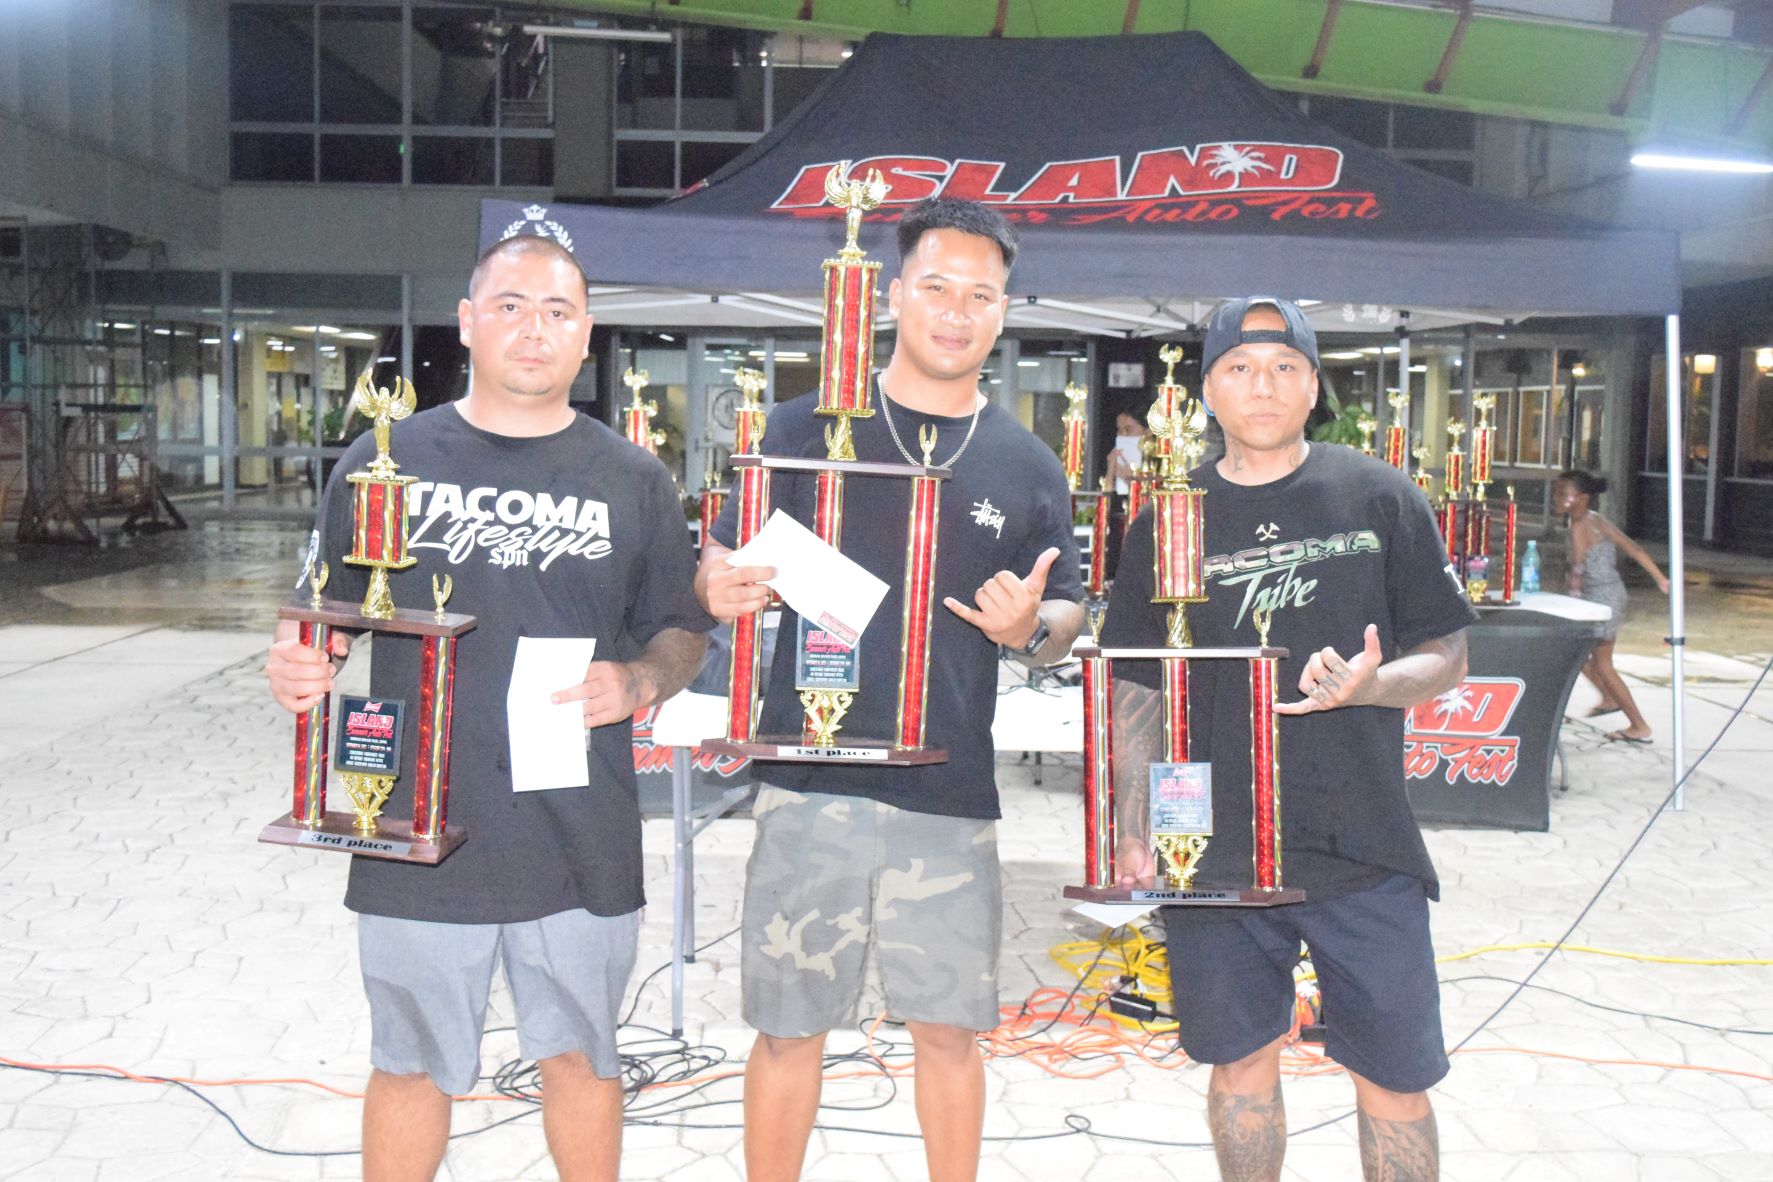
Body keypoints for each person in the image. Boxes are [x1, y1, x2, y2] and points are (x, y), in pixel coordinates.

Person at [264, 234, 712, 1182]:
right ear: (466, 322)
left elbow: (680, 630)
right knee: (410, 1064)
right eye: (510, 305)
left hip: (577, 822)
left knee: (583, 1059)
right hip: (421, 821)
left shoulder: (632, 478)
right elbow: (326, 615)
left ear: (585, 333)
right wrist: (305, 665)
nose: (534, 329)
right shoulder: (384, 458)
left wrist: (639, 683)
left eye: (557, 311)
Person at [695, 197, 1085, 1182]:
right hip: (807, 784)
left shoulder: (1026, 464)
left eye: (981, 295)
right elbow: (720, 550)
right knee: (789, 1033)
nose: (957, 312)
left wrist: (1026, 631)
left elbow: (1065, 614)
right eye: (938, 286)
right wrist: (713, 578)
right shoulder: (797, 427)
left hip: (947, 798)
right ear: (895, 293)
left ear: (1004, 311)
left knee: (949, 1038)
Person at [1101, 296, 1474, 1182]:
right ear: (1206, 391)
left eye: (1282, 367)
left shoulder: (1379, 494)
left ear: (1313, 385)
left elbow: (1448, 652)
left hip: (1361, 837)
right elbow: (1136, 683)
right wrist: (1131, 822)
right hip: (1213, 842)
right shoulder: (1166, 515)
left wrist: (1373, 686)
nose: (1260, 386)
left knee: (1393, 1074)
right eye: (1237, 367)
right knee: (1239, 1062)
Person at [1554, 469, 1670, 744]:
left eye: (1562, 493)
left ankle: (1638, 725)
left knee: (1602, 663)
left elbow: (1578, 569)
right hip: (1612, 594)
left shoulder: (1580, 525)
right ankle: (1608, 698)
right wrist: (1659, 578)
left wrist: (1571, 602)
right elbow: (1634, 549)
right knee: (1581, 654)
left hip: (1600, 598)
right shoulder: (1597, 520)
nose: (1557, 498)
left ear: (1581, 497)